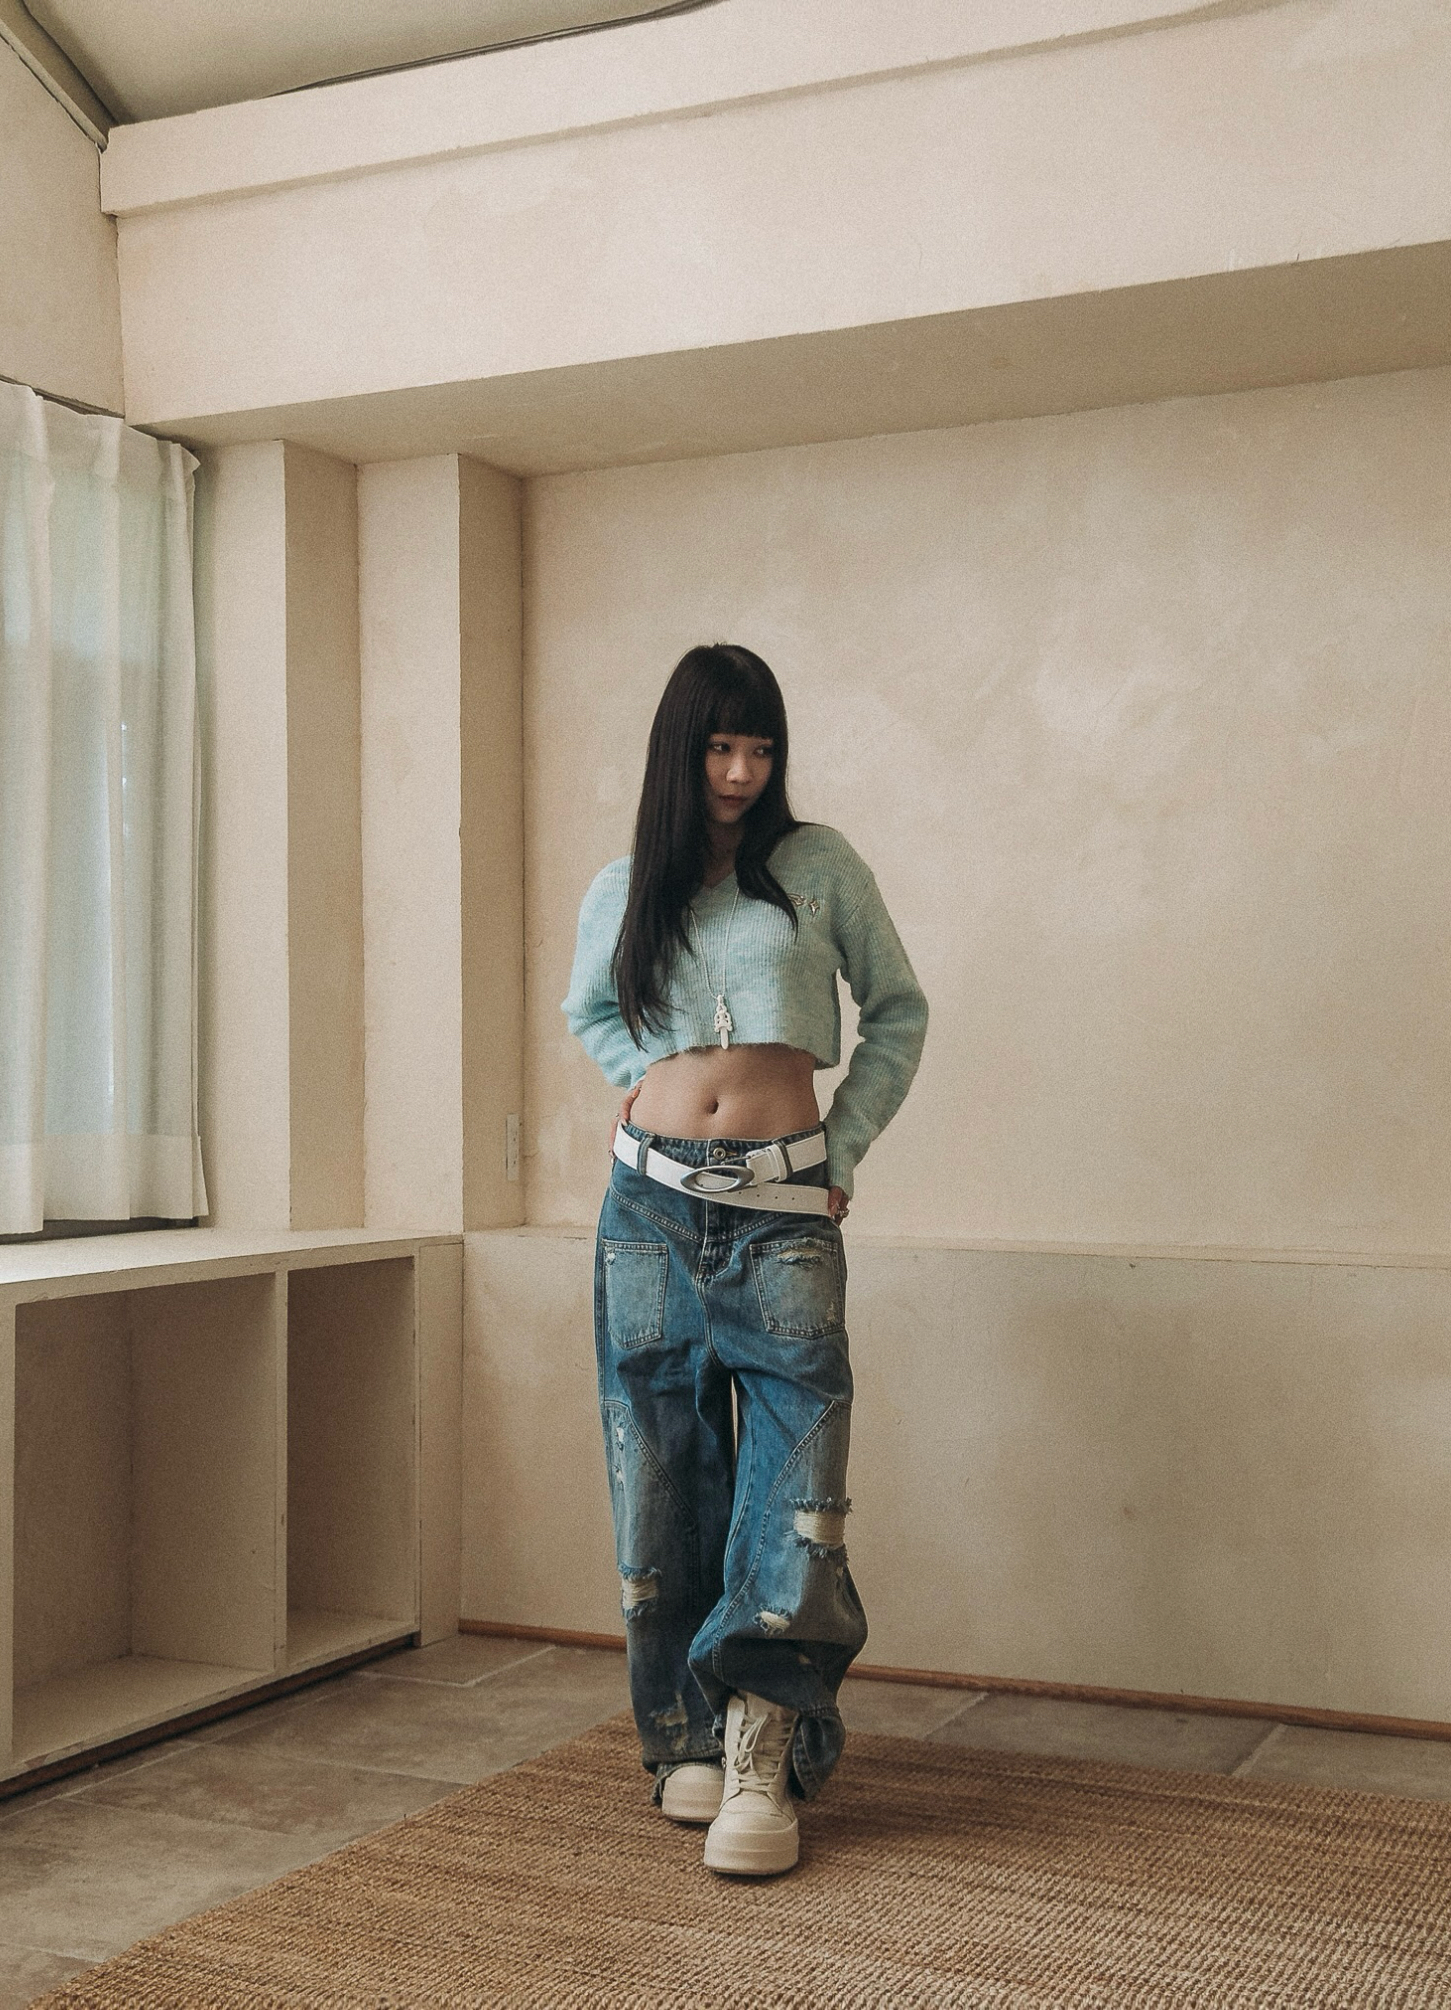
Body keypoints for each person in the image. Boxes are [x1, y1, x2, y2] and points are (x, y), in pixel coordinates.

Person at [562, 643, 927, 1877]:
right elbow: (590, 1010)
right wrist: (638, 1082)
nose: (738, 772)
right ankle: (684, 1739)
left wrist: (843, 1147)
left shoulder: (818, 867)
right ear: (681, 750)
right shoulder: (627, 885)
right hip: (647, 1209)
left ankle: (763, 1741)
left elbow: (899, 1010)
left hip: (782, 1210)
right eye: (719, 747)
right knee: (660, 1472)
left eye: (759, 748)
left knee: (797, 1481)